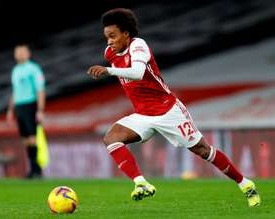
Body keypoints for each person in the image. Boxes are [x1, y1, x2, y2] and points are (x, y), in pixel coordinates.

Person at [87, 8, 260, 207]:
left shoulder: (138, 45)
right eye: (106, 37)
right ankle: (141, 184)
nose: (109, 41)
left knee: (203, 150)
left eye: (112, 36)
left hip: (168, 110)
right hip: (143, 114)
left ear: (126, 34)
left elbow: (138, 72)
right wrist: (110, 68)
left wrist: (108, 71)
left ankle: (245, 184)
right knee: (112, 137)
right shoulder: (110, 53)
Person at [6, 44, 46, 178]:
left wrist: (40, 110)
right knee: (25, 139)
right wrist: (10, 110)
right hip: (19, 106)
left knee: (32, 137)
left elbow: (40, 90)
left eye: (22, 52)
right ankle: (33, 168)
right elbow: (15, 91)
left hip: (30, 104)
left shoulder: (33, 69)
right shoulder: (15, 70)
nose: (20, 54)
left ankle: (37, 169)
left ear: (28, 54)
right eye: (17, 52)